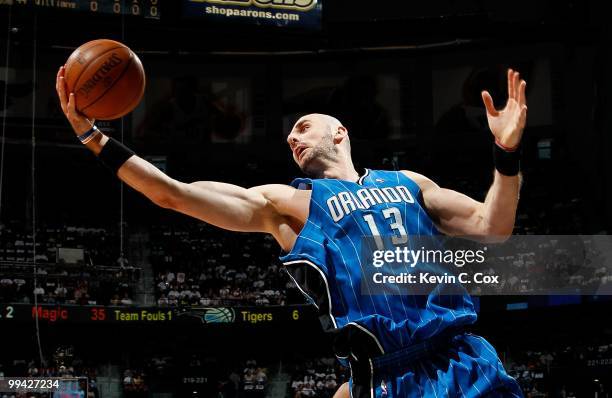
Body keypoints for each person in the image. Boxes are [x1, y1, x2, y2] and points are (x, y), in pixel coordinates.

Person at [56, 66, 527, 397]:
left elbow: (493, 227)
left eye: (303, 128)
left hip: (462, 357)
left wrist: (505, 156)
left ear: (339, 133)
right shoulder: (286, 205)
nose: (292, 138)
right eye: (289, 137)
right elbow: (171, 193)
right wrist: (92, 136)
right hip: (386, 374)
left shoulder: (411, 184)